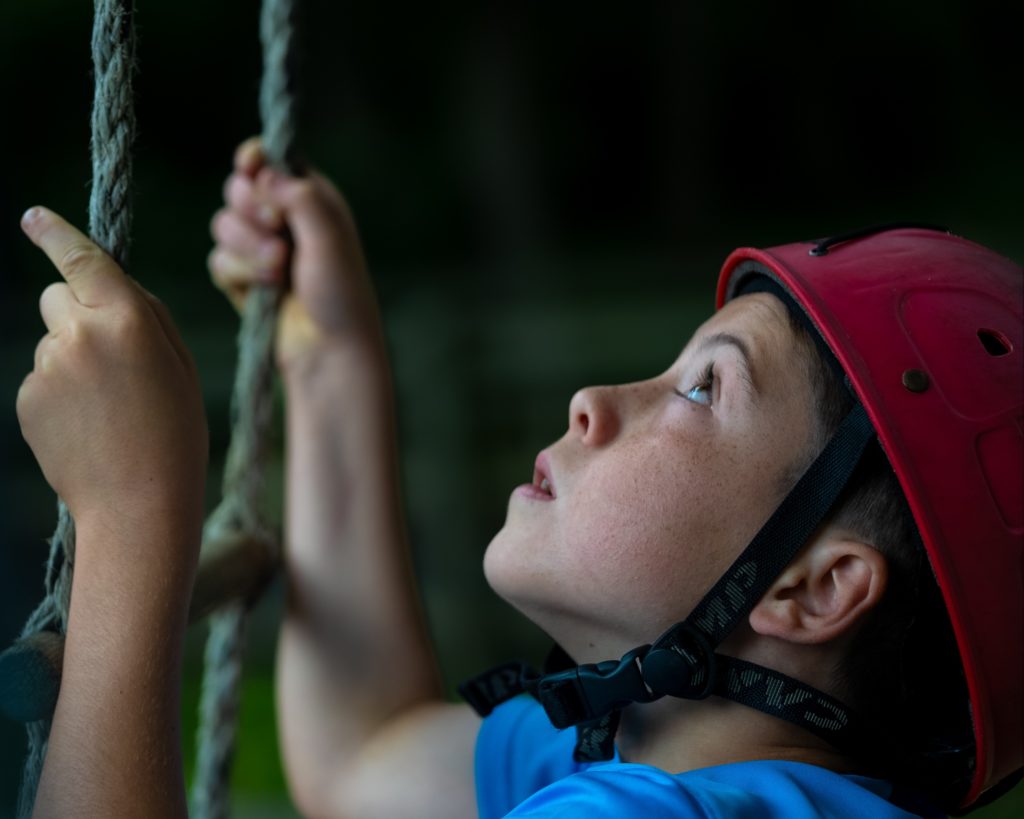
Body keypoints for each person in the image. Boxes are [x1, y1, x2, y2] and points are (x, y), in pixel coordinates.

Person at [15, 138, 1022, 818]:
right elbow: (372, 756)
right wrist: (330, 354)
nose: (595, 399)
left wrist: (132, 519)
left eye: (703, 391)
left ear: (813, 588)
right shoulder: (663, 771)